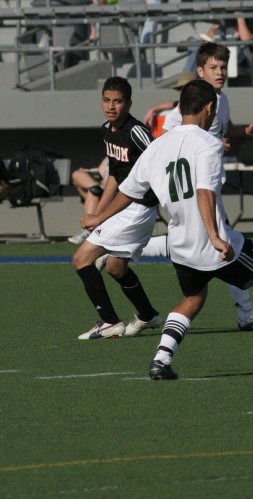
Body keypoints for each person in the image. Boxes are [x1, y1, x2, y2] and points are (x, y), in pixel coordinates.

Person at [82, 80, 253, 379]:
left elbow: (129, 190)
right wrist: (216, 236)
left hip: (181, 245)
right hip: (213, 243)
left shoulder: (157, 146)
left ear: (179, 108)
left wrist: (99, 216)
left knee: (193, 298)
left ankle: (161, 360)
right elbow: (205, 191)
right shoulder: (208, 143)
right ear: (209, 108)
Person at [145, 42, 253, 332]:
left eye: (223, 67)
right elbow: (170, 140)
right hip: (195, 189)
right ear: (199, 71)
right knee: (224, 245)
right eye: (213, 67)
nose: (220, 72)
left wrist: (243, 132)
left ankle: (126, 249)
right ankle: (247, 314)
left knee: (211, 245)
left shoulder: (221, 100)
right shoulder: (189, 105)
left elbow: (224, 129)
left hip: (209, 187)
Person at [72, 76, 163, 340]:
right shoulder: (106, 129)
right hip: (125, 207)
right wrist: (98, 216)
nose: (111, 106)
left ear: (129, 103)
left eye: (118, 101)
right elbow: (115, 174)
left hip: (138, 209)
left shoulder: (137, 132)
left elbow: (158, 163)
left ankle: (110, 321)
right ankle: (148, 314)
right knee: (115, 268)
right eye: (106, 100)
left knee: (81, 259)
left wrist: (100, 216)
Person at [183, 0, 253, 83]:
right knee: (196, 46)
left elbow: (246, 40)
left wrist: (240, 17)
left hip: (241, 52)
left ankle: (188, 84)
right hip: (220, 48)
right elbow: (211, 34)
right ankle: (187, 83)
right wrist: (214, 29)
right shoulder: (229, 16)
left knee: (201, 51)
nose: (234, 10)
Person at [67, 157, 109, 244]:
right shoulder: (109, 156)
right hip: (100, 188)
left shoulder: (128, 157)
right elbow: (99, 174)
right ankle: (90, 228)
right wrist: (88, 172)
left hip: (112, 193)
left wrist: (102, 182)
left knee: (93, 190)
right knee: (77, 174)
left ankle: (88, 230)